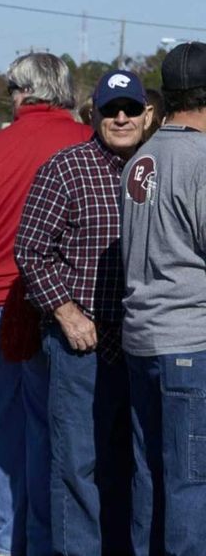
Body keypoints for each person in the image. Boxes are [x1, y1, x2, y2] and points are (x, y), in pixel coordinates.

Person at [0, 52, 92, 556]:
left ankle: (11, 541)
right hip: (57, 307)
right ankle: (45, 542)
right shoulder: (88, 145)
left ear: (19, 93)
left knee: (4, 441)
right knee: (55, 438)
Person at [15, 70, 148, 555]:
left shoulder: (156, 168)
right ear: (92, 113)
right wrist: (66, 312)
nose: (120, 118)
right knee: (77, 463)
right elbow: (30, 249)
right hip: (82, 342)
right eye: (111, 109)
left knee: (132, 463)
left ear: (145, 114)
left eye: (130, 109)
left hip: (141, 340)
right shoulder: (65, 167)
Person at [121, 42, 206, 556]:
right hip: (188, 341)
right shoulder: (199, 157)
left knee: (149, 472)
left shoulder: (141, 156)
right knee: (191, 480)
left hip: (142, 336)